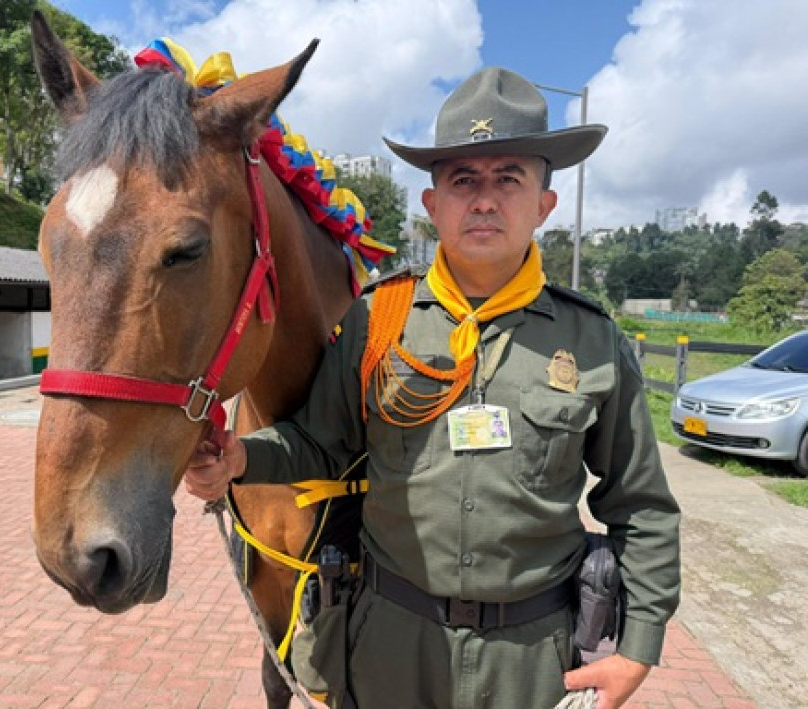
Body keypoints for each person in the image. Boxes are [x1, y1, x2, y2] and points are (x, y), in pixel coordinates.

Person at [185, 66, 680, 709]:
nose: (483, 199)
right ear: (432, 204)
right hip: (389, 641)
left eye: (509, 179)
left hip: (533, 659)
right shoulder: (376, 319)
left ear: (544, 205)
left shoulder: (592, 343)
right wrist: (240, 460)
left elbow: (640, 506)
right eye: (462, 180)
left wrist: (638, 647)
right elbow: (319, 442)